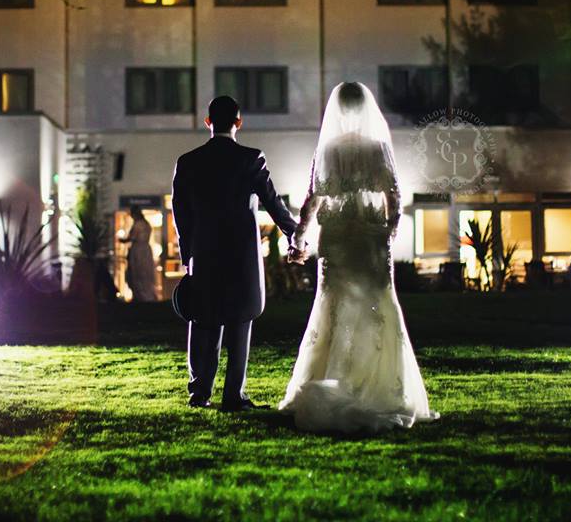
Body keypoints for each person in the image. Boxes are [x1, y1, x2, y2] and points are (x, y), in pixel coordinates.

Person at [281, 82, 439, 433]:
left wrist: (298, 238)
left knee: (333, 306)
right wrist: (390, 230)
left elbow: (312, 200)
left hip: (336, 239)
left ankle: (330, 378)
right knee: (377, 304)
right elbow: (394, 195)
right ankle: (380, 384)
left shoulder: (329, 150)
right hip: (369, 240)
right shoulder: (377, 148)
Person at [171, 95, 298, 411]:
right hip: (241, 256)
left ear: (208, 123)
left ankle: (199, 392)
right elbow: (273, 202)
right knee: (241, 322)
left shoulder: (188, 162)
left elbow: (180, 212)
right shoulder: (251, 159)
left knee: (204, 321)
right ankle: (233, 395)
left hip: (205, 255)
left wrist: (188, 254)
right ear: (239, 122)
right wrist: (296, 233)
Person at [119, 208, 157, 302]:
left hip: (138, 251)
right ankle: (146, 295)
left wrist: (121, 240)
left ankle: (142, 296)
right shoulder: (146, 224)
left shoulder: (138, 224)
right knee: (145, 273)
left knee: (139, 273)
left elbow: (131, 238)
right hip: (145, 251)